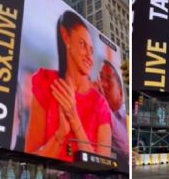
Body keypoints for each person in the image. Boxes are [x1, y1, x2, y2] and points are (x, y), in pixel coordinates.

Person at [25, 11, 112, 161]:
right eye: (82, 44)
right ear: (66, 38)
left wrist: (74, 118)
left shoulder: (100, 105)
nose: (89, 57)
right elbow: (29, 158)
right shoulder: (46, 83)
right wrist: (60, 135)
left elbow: (104, 163)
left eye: (91, 50)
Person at [97, 60, 129, 159]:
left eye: (108, 79)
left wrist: (104, 106)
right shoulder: (97, 109)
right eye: (101, 78)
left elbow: (126, 147)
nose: (102, 84)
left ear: (120, 91)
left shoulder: (126, 116)